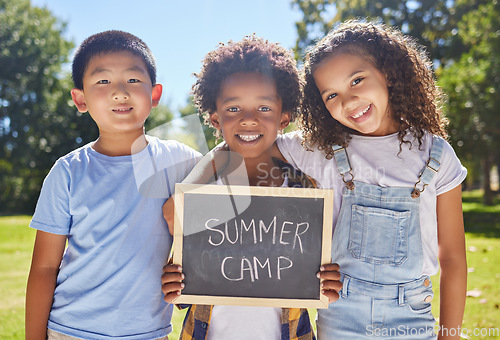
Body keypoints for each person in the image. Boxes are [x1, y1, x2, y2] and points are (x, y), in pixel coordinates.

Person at [276, 20, 467, 339]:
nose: (348, 102)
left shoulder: (436, 154)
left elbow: (453, 258)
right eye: (331, 94)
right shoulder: (318, 149)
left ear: (388, 72)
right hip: (339, 314)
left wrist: (449, 335)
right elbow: (243, 145)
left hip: (412, 314)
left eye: (357, 80)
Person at [160, 35, 342, 340]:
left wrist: (327, 284)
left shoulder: (307, 190)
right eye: (233, 110)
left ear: (285, 117)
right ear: (214, 118)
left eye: (264, 108)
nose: (248, 120)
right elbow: (174, 214)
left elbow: (319, 273)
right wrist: (174, 282)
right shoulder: (211, 185)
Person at [25, 30, 201, 340]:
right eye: (103, 82)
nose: (120, 92)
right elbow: (44, 268)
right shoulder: (68, 172)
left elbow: (231, 213)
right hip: (70, 331)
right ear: (80, 99)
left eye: (133, 80)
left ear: (155, 94)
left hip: (149, 333)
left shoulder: (183, 162)